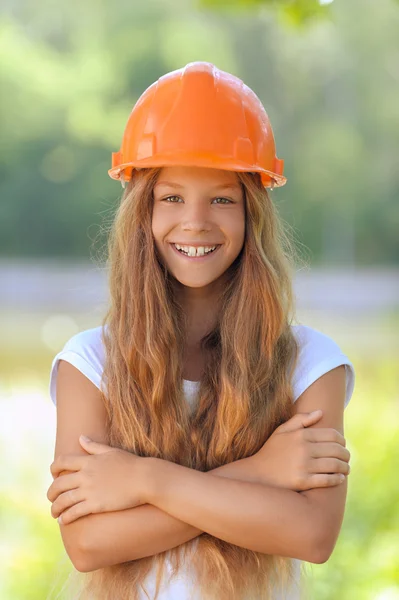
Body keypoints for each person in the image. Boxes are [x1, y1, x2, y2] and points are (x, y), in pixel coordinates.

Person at [46, 61, 355, 600]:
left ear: (251, 215)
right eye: (171, 197)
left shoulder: (310, 362)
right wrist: (261, 473)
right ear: (142, 214)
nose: (195, 221)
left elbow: (311, 533)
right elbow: (89, 544)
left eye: (221, 199)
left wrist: (145, 480)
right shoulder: (90, 362)